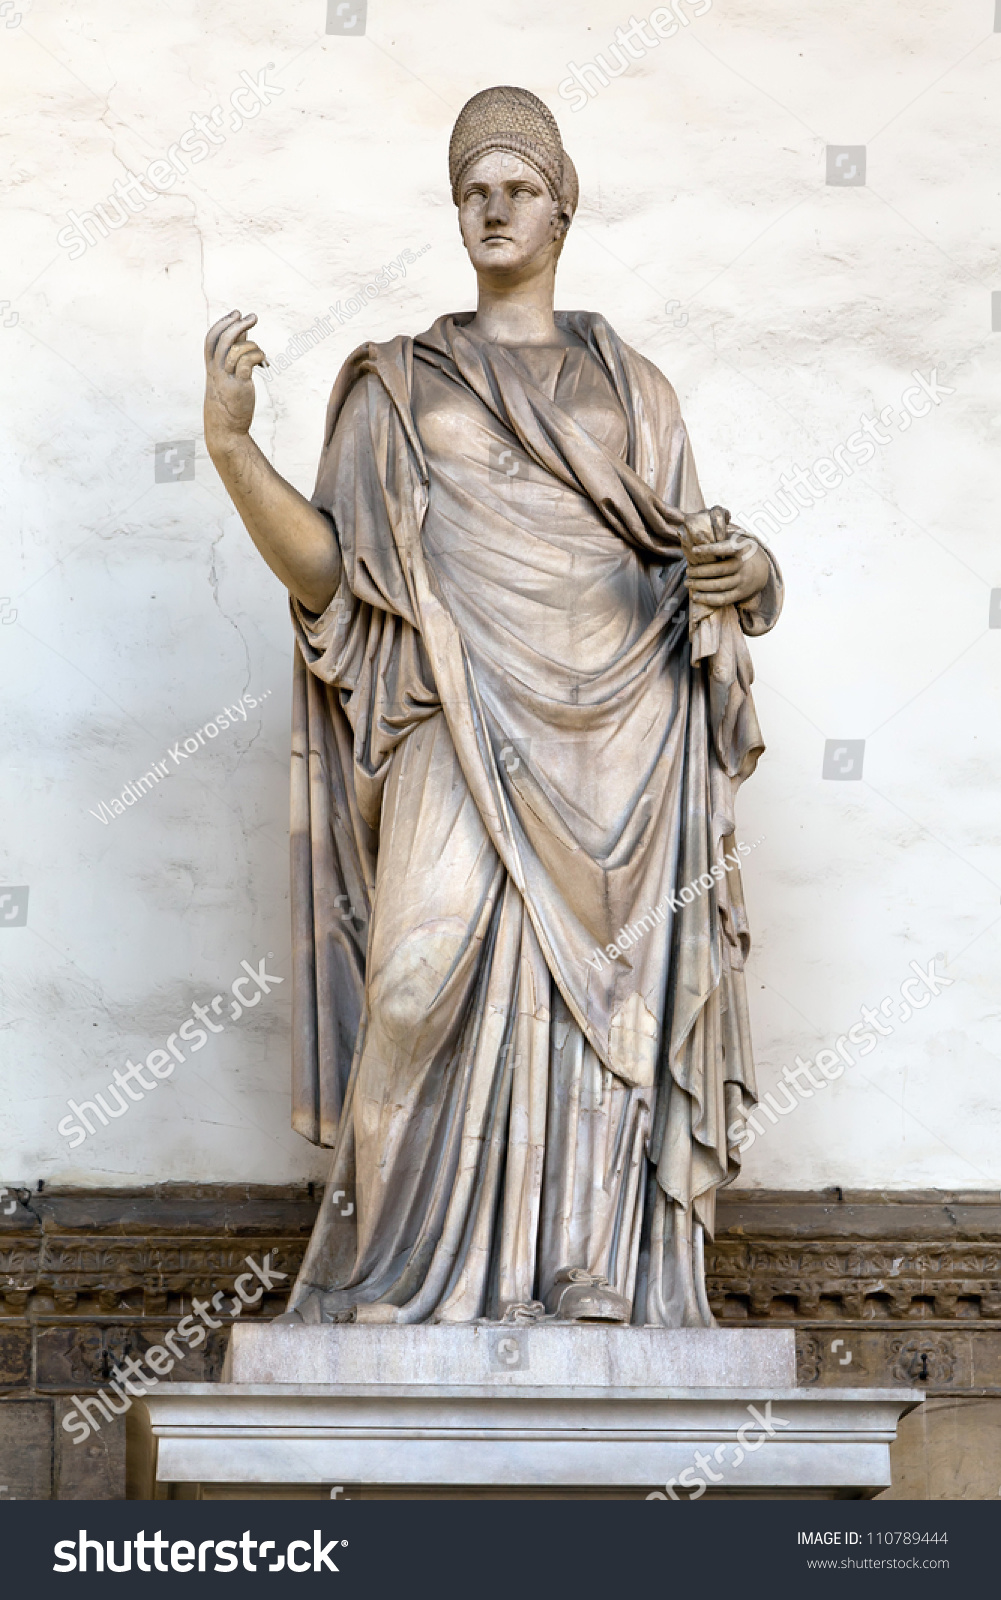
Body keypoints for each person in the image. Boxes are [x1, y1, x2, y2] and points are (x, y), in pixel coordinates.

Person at [203, 85, 782, 1327]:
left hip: (619, 734)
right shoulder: (401, 387)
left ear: (562, 207)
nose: (491, 207)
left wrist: (751, 575)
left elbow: (699, 551)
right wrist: (233, 450)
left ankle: (587, 1266)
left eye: (516, 186)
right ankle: (382, 1270)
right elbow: (332, 573)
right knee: (413, 976)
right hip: (454, 715)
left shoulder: (634, 387)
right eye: (472, 189)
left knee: (603, 1007)